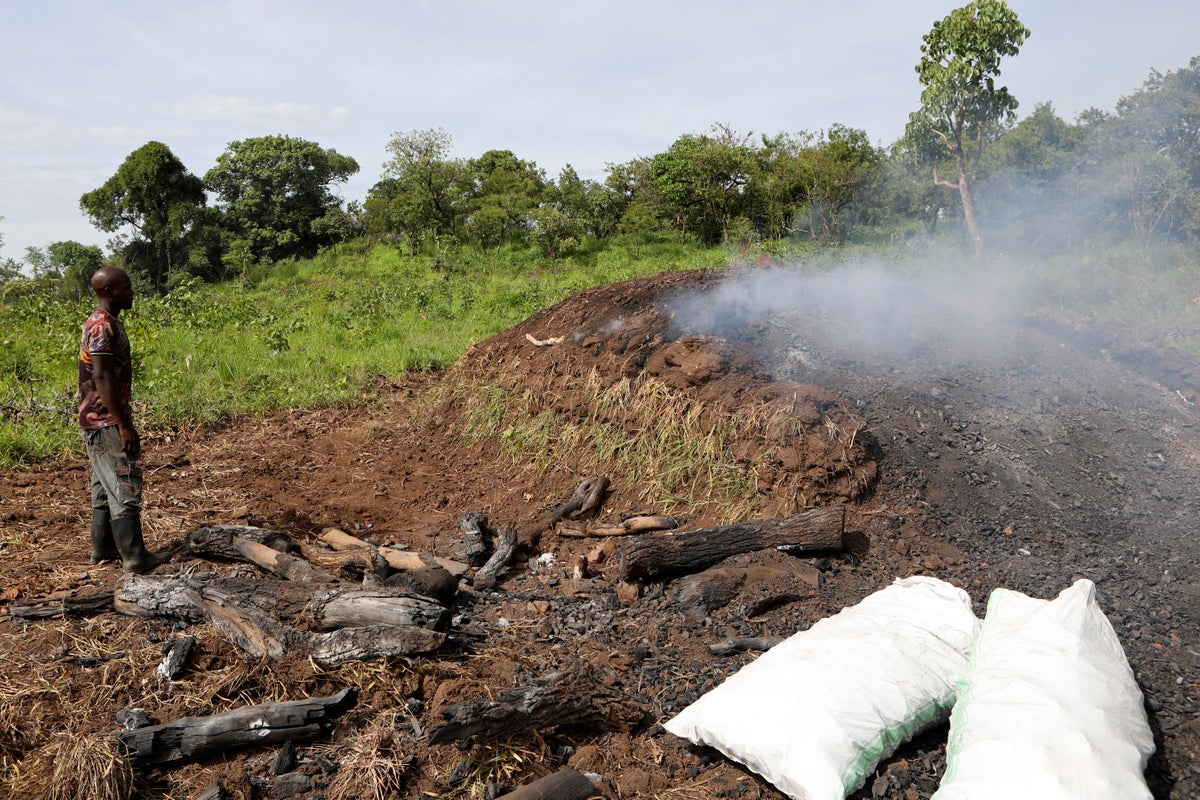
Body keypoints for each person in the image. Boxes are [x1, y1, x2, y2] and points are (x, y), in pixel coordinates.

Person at [78, 267, 169, 573]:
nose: (131, 292)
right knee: (123, 480)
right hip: (106, 420)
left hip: (97, 419)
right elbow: (102, 377)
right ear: (108, 292)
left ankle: (102, 551)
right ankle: (134, 556)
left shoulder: (101, 322)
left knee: (103, 487)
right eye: (125, 288)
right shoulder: (102, 325)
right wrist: (124, 424)